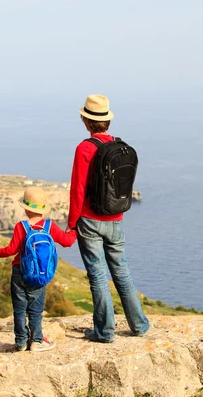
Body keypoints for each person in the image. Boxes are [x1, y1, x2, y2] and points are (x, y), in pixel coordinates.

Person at [67, 94, 150, 343]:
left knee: (97, 274)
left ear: (85, 120)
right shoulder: (119, 146)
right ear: (107, 122)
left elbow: (78, 189)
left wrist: (72, 223)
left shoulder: (84, 148)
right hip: (116, 217)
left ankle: (105, 331)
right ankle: (139, 325)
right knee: (121, 270)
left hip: (90, 220)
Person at [0, 187, 77, 352]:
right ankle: (36, 340)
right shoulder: (50, 226)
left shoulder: (21, 227)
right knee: (36, 310)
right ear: (43, 209)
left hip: (19, 272)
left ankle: (21, 342)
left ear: (26, 209)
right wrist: (74, 231)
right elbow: (67, 242)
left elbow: (10, 250)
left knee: (19, 309)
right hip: (40, 274)